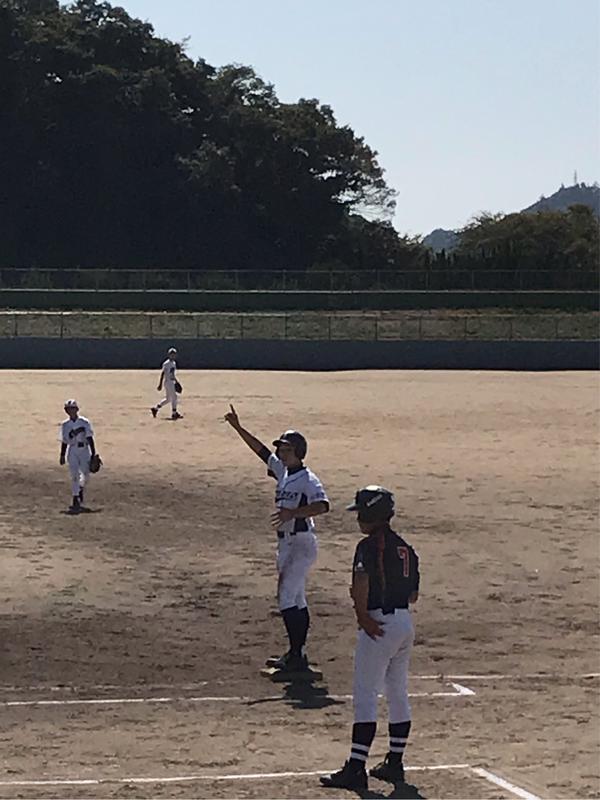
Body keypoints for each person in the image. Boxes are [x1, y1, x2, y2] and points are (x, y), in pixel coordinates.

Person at [320, 486, 420, 791]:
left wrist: (362, 615)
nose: (358, 518)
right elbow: (413, 595)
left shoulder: (367, 546)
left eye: (362, 512)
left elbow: (361, 581)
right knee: (397, 691)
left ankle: (356, 767)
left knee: (365, 694)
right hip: (404, 623)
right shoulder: (405, 548)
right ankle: (394, 762)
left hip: (379, 623)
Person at [224, 404, 329, 672]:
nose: (282, 452)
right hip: (285, 544)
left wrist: (293, 513)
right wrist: (238, 427)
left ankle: (295, 657)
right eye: (281, 449)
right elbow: (261, 451)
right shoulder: (283, 471)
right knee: (297, 599)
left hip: (302, 544)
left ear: (299, 452)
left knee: (285, 598)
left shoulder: (308, 480)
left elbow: (322, 506)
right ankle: (297, 655)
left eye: (287, 449)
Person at [59, 399, 97, 513]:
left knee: (86, 474)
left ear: (77, 409)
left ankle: (80, 489)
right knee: (74, 474)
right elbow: (65, 441)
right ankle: (75, 497)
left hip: (84, 450)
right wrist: (62, 455)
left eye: (72, 409)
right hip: (73, 450)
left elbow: (90, 437)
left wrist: (93, 453)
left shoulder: (84, 422)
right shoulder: (65, 425)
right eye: (68, 409)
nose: (70, 411)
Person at [151, 347, 182, 420]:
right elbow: (163, 373)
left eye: (174, 354)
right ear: (169, 355)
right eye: (171, 354)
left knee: (168, 399)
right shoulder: (166, 363)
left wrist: (176, 381)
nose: (173, 356)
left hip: (171, 382)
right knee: (174, 397)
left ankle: (155, 408)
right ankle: (174, 413)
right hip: (168, 382)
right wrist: (160, 384)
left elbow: (172, 375)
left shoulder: (173, 363)